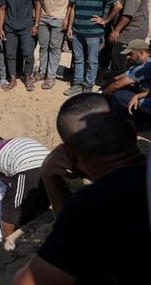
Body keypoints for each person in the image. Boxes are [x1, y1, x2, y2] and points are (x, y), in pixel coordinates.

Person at [14, 93, 150, 284]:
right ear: (132, 132)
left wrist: (48, 176)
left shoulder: (93, 205)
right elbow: (77, 236)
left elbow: (27, 282)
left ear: (69, 153)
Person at [0, 136, 50, 239]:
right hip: (51, 167)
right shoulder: (17, 141)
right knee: (40, 207)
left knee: (10, 212)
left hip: (29, 170)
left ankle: (8, 246)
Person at [64, 0, 122, 96]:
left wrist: (105, 20)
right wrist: (69, 27)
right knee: (78, 59)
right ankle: (77, 85)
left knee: (92, 61)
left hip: (94, 34)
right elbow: (73, 8)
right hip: (77, 31)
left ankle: (88, 86)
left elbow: (117, 6)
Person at [36, 0, 76, 88]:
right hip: (43, 17)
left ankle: (51, 76)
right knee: (43, 47)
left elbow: (72, 0)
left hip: (59, 17)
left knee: (55, 48)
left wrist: (67, 20)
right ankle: (42, 72)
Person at [0, 0, 42, 91]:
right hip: (10, 27)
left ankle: (28, 78)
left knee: (28, 54)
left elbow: (38, 5)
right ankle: (12, 78)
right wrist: (1, 28)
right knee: (10, 54)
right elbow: (2, 9)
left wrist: (36, 25)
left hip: (27, 26)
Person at [109, 0, 149, 72]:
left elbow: (128, 14)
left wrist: (116, 30)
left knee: (119, 57)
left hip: (132, 31)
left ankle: (119, 84)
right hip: (127, 30)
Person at [102, 39, 151, 128]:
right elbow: (118, 78)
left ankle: (142, 121)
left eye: (131, 54)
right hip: (146, 93)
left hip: (147, 97)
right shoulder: (143, 63)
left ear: (142, 53)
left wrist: (101, 97)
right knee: (124, 89)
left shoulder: (146, 66)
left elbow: (116, 85)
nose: (128, 57)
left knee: (118, 95)